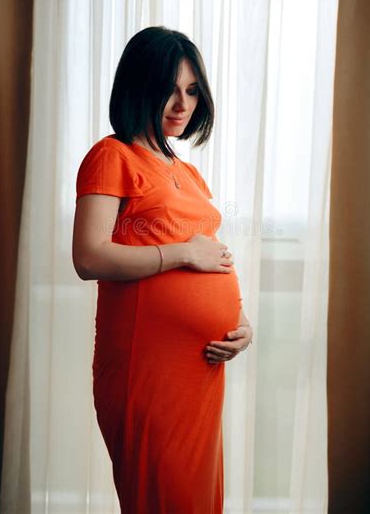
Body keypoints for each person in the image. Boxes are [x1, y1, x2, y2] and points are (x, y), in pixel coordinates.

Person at [72, 26, 253, 513]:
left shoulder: (187, 172)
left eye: (192, 90)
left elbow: (210, 252)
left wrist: (239, 323)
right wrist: (180, 256)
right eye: (168, 89)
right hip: (147, 370)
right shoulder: (111, 156)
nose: (182, 103)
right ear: (138, 86)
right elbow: (88, 257)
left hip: (200, 372)